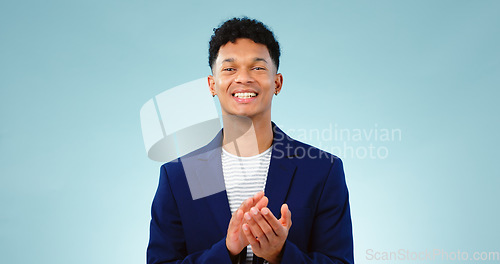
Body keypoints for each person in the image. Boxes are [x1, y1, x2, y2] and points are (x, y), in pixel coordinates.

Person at [147, 17, 354, 264]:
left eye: (257, 68)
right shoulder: (178, 176)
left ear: (277, 83)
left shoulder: (322, 170)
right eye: (229, 68)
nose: (243, 78)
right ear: (212, 85)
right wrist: (226, 251)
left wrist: (280, 255)